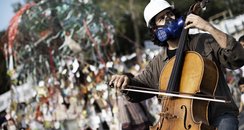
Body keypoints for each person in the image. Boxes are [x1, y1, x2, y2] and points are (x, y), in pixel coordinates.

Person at [109, 0, 244, 130]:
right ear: (155, 30)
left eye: (170, 14)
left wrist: (208, 27)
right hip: (179, 122)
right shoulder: (157, 64)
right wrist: (125, 82)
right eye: (161, 18)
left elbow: (237, 58)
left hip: (219, 115)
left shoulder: (204, 41)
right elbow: (137, 89)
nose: (169, 19)